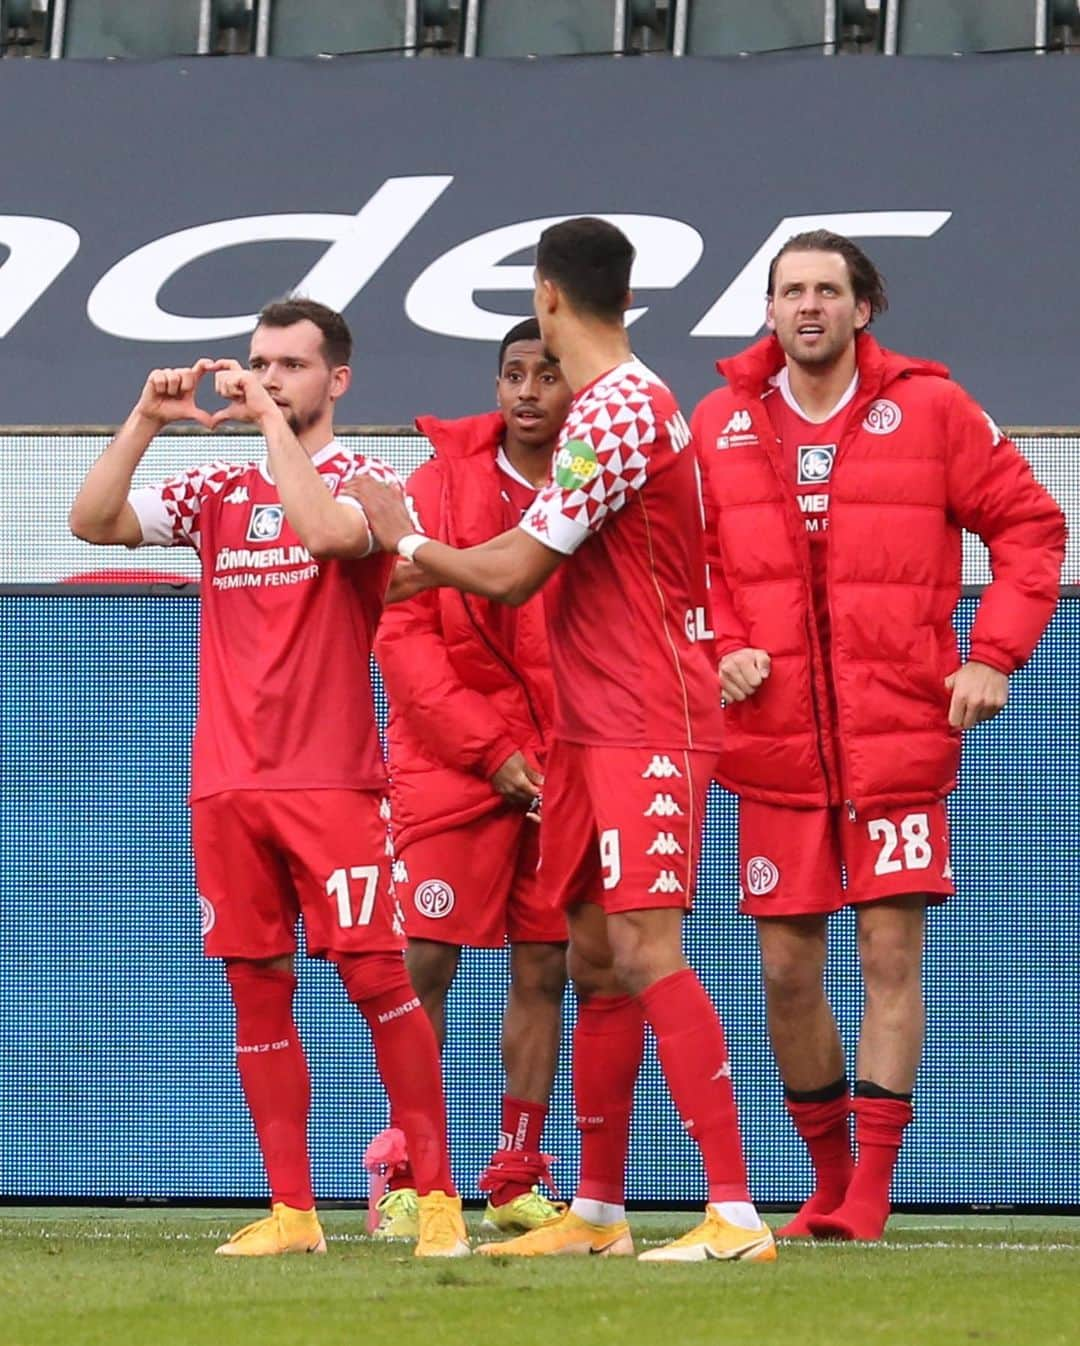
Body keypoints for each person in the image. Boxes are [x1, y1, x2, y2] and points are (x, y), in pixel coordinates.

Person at [348, 218, 775, 1263]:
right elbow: (509, 551)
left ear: (548, 296)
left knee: (646, 947)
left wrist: (408, 538)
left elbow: (515, 572)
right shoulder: (605, 410)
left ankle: (733, 1211)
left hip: (648, 717)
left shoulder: (626, 407)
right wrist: (437, 557)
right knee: (592, 954)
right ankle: (595, 1212)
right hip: (589, 726)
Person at [68, 298, 469, 1259]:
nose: (269, 378)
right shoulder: (216, 491)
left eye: (290, 365)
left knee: (379, 981)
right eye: (259, 363)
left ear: (337, 381)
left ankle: (440, 1198)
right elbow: (91, 520)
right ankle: (293, 1214)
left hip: (331, 782)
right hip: (227, 784)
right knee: (257, 987)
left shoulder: (373, 484)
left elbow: (331, 536)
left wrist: (269, 427)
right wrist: (147, 420)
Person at [691, 230, 1066, 1242]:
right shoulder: (719, 420)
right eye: (790, 290)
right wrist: (720, 644)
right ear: (767, 310)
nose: (808, 305)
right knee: (783, 968)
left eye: (827, 289)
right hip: (771, 742)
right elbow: (686, 567)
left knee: (888, 953)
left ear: (865, 307)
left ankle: (870, 1192)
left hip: (898, 733)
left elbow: (1032, 527)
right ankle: (830, 1170)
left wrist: (994, 654)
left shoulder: (936, 409)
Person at [365, 319, 572, 1240]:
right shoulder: (434, 486)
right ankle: (410, 1170)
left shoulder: (598, 485)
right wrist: (493, 753)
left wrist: (569, 755)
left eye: (547, 375)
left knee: (547, 966)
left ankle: (515, 1174)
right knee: (425, 965)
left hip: (566, 769)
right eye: (513, 374)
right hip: (452, 768)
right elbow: (403, 639)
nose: (528, 391)